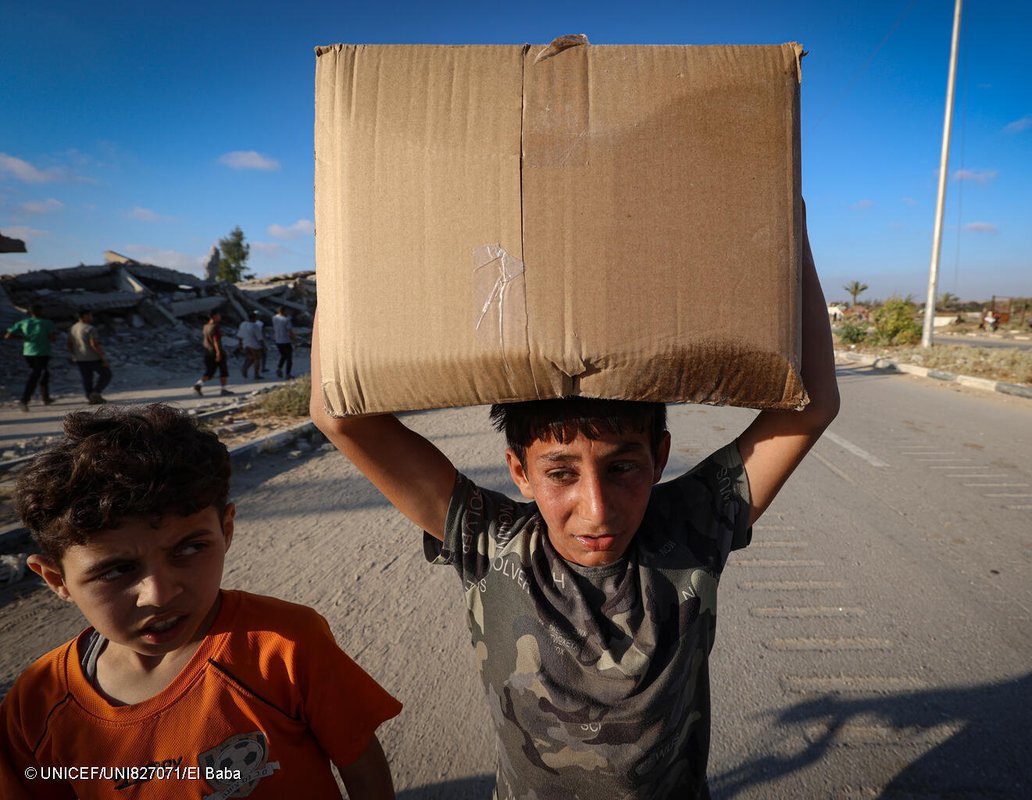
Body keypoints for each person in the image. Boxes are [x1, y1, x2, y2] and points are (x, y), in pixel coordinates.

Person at [310, 252, 840, 797]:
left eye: (623, 468)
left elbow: (813, 405)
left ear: (660, 458)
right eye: (561, 473)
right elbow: (339, 415)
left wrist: (791, 232)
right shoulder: (490, 544)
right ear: (519, 471)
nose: (597, 509)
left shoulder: (692, 528)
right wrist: (339, 246)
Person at [0, 404, 401, 799]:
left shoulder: (285, 646)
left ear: (225, 530)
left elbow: (360, 761)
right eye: (114, 571)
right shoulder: (38, 702)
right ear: (57, 579)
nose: (159, 593)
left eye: (190, 548)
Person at [4, 304, 57, 412]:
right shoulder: (47, 323)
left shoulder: (24, 323)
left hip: (28, 352)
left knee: (44, 373)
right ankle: (24, 400)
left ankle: (46, 397)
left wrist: (23, 337)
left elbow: (8, 336)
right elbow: (52, 338)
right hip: (42, 352)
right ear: (40, 311)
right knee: (37, 375)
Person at [67, 310, 112, 404]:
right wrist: (102, 357)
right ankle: (95, 393)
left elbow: (69, 344)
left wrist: (73, 354)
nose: (91, 317)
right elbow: (94, 344)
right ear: (84, 316)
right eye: (90, 315)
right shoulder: (89, 328)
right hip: (93, 357)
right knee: (106, 374)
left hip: (80, 358)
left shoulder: (73, 328)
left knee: (87, 378)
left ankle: (91, 396)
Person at [193, 310, 232, 396]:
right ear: (214, 316)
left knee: (209, 372)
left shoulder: (206, 326)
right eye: (218, 315)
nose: (220, 317)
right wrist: (218, 353)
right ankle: (223, 389)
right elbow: (216, 341)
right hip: (216, 352)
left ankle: (198, 384)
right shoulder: (215, 327)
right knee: (223, 371)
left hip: (208, 352)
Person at [237, 312, 265, 380]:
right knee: (257, 359)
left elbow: (240, 335)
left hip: (245, 344)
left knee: (251, 358)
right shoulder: (255, 326)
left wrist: (240, 344)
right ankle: (256, 375)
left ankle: (244, 369)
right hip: (254, 345)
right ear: (254, 318)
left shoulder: (243, 324)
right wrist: (263, 346)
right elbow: (260, 338)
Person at [272, 307, 295, 379]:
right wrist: (294, 339)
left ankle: (279, 368)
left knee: (283, 355)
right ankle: (288, 374)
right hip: (286, 340)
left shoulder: (274, 318)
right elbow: (289, 331)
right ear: (284, 311)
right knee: (289, 358)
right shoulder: (286, 319)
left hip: (278, 340)